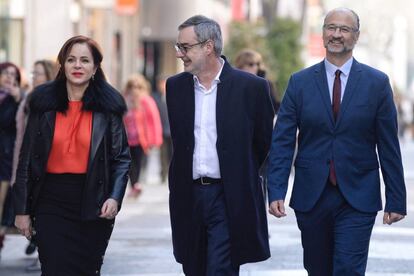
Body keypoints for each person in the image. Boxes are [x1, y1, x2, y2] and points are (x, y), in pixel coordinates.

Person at [267, 8, 406, 276]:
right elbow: (283, 141)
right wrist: (276, 190)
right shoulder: (300, 82)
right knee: (317, 269)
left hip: (358, 195)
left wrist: (396, 198)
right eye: (331, 28)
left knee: (348, 270)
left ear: (356, 36)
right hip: (312, 196)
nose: (336, 34)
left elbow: (388, 145)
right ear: (322, 33)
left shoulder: (377, 83)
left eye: (344, 29)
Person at [12, 35, 131, 275]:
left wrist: (114, 197)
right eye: (71, 60)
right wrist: (21, 210)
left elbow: (121, 158)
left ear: (95, 67)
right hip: (50, 201)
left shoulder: (109, 107)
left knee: (87, 270)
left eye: (85, 60)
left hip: (94, 201)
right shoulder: (43, 104)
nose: (78, 66)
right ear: (62, 65)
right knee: (54, 267)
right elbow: (26, 160)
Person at [166, 15, 274, 275]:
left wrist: (238, 171)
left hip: (228, 196)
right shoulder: (175, 87)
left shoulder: (252, 88)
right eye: (178, 46)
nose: (180, 54)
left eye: (185, 47)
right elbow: (180, 143)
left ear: (208, 46)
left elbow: (263, 142)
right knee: (193, 268)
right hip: (188, 195)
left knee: (221, 269)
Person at [10, 59, 57, 270]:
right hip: (21, 155)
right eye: (32, 74)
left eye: (37, 73)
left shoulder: (51, 100)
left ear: (47, 75)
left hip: (39, 162)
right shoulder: (30, 97)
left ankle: (43, 253)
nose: (33, 78)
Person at [122, 74, 162, 197]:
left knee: (138, 162)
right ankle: (134, 184)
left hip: (141, 139)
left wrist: (155, 139)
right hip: (126, 140)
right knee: (128, 163)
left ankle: (136, 184)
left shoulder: (146, 101)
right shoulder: (124, 101)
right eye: (132, 86)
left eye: (138, 86)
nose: (135, 89)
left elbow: (153, 120)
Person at [0, 61, 22, 257]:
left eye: (13, 74)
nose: (9, 77)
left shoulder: (17, 99)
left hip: (5, 157)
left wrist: (18, 99)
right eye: (5, 73)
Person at [234, 48, 280, 113]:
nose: (255, 67)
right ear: (240, 66)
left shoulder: (266, 84)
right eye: (251, 64)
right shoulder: (233, 84)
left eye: (258, 64)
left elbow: (275, 107)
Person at [152, 75, 172, 184]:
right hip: (161, 130)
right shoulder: (155, 98)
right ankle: (163, 174)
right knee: (162, 155)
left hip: (172, 131)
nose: (162, 86)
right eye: (161, 84)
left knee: (172, 154)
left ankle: (171, 172)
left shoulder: (173, 96)